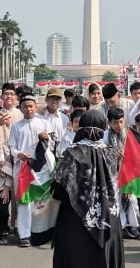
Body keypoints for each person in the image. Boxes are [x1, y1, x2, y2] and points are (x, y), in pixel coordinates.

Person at [52, 109, 124, 268]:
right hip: (108, 218)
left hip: (75, 219)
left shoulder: (72, 152)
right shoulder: (110, 153)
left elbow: (58, 189)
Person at [8, 92, 51, 247]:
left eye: (31, 106)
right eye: (25, 106)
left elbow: (51, 145)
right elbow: (11, 146)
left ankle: (38, 232)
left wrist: (47, 138)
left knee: (40, 203)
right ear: (20, 108)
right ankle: (24, 235)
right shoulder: (16, 127)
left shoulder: (44, 123)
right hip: (23, 169)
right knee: (25, 203)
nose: (28, 109)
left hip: (41, 170)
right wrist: (19, 154)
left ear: (35, 107)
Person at [104, 108, 140, 239]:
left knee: (131, 200)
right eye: (115, 123)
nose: (118, 126)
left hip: (128, 173)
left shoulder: (130, 135)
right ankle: (120, 226)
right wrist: (112, 154)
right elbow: (101, 155)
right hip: (112, 175)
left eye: (120, 122)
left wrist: (126, 157)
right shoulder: (105, 136)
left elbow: (136, 157)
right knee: (114, 201)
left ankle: (132, 226)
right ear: (109, 123)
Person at [38, 88, 67, 154]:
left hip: (59, 152)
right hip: (42, 152)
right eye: (52, 98)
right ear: (46, 99)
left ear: (61, 101)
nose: (55, 101)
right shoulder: (39, 116)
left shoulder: (64, 118)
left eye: (57, 99)